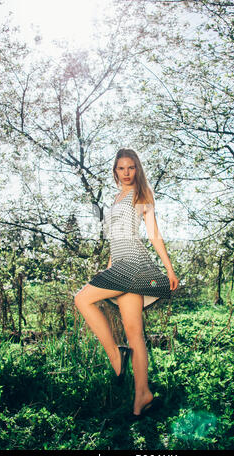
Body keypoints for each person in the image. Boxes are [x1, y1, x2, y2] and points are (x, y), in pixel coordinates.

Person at [74, 148, 179, 419]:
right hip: (120, 265)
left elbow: (153, 232)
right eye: (121, 168)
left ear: (137, 169)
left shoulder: (141, 195)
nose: (126, 172)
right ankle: (142, 395)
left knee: (82, 299)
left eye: (131, 167)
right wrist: (109, 268)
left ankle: (115, 355)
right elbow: (115, 239)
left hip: (133, 264)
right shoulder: (116, 198)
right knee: (135, 335)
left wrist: (169, 268)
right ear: (115, 171)